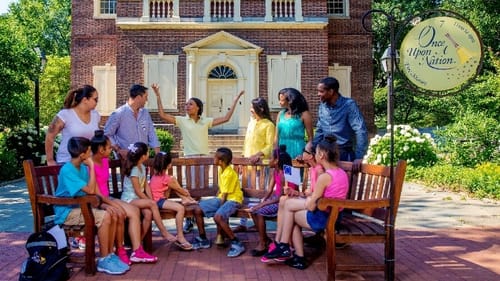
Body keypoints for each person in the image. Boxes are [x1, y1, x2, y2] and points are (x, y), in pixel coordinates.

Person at [153, 83, 244, 233]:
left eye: (190, 104)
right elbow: (163, 115)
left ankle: (200, 216)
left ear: (198, 108)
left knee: (202, 191)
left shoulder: (205, 121)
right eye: (186, 104)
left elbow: (226, 118)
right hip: (189, 159)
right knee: (191, 191)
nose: (187, 106)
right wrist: (157, 95)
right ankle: (189, 219)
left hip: (204, 159)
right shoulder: (182, 120)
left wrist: (235, 99)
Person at [262, 136, 349, 269]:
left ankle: (288, 249)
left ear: (321, 155)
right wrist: (302, 197)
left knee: (289, 209)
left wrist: (303, 200)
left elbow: (311, 205)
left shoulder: (325, 177)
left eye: (316, 152)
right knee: (289, 206)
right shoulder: (341, 173)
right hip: (335, 216)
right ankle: (290, 251)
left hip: (324, 218)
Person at [53, 137, 128, 275]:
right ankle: (104, 259)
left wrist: (105, 205)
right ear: (82, 155)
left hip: (82, 206)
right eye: (88, 151)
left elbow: (94, 190)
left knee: (112, 213)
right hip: (66, 212)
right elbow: (91, 191)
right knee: (105, 217)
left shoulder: (81, 167)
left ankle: (109, 255)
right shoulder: (68, 170)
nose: (90, 153)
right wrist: (92, 166)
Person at [90, 130, 158, 265]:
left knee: (134, 211)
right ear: (100, 149)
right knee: (119, 213)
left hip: (108, 198)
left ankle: (136, 251)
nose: (111, 149)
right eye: (109, 147)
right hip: (97, 200)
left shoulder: (105, 161)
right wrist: (108, 203)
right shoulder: (89, 165)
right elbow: (93, 191)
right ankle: (120, 250)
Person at [120, 142, 188, 251]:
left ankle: (137, 243)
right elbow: (138, 191)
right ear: (143, 156)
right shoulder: (134, 170)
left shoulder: (142, 167)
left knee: (148, 213)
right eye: (147, 152)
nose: (149, 153)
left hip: (139, 199)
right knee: (152, 204)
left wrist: (151, 199)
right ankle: (164, 232)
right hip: (129, 199)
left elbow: (146, 185)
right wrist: (150, 201)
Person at [150, 151, 213, 250]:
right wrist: (186, 194)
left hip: (158, 199)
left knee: (173, 180)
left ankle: (185, 200)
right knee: (180, 209)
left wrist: (184, 193)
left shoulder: (156, 176)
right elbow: (180, 190)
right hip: (158, 202)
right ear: (169, 164)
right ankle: (180, 235)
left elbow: (174, 188)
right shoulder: (167, 179)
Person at [233, 97, 276, 233]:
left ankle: (257, 220)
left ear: (260, 109)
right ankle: (242, 223)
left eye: (252, 107)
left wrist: (259, 154)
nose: (250, 110)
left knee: (257, 194)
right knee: (245, 194)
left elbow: (271, 146)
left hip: (260, 167)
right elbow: (247, 143)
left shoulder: (269, 125)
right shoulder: (251, 123)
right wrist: (242, 160)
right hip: (247, 166)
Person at [249, 145, 297, 257]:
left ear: (276, 161)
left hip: (284, 202)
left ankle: (262, 243)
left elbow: (279, 198)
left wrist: (262, 204)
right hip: (276, 199)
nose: (269, 161)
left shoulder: (287, 174)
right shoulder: (275, 171)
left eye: (271, 158)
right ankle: (265, 239)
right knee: (253, 210)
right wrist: (262, 200)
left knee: (259, 212)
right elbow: (270, 190)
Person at [198, 147, 245, 257]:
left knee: (218, 217)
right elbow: (221, 190)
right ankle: (202, 238)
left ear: (221, 161)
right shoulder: (221, 169)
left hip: (233, 200)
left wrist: (220, 210)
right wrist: (215, 201)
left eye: (215, 157)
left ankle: (236, 242)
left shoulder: (229, 173)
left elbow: (225, 196)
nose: (213, 158)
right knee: (197, 208)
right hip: (222, 198)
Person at [311, 77, 368, 162]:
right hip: (325, 154)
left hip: (344, 154)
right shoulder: (322, 106)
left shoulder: (349, 105)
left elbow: (360, 130)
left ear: (331, 91)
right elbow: (320, 130)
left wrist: (359, 157)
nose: (318, 94)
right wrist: (312, 150)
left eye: (321, 91)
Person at [45, 85, 100, 165]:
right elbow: (50, 135)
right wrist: (50, 160)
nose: (97, 102)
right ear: (85, 100)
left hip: (87, 163)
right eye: (95, 99)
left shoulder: (95, 115)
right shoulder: (65, 114)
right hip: (66, 162)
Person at [104, 84, 160, 158]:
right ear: (138, 98)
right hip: (126, 161)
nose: (147, 100)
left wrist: (158, 155)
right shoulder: (119, 113)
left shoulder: (145, 113)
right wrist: (118, 150)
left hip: (143, 160)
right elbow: (107, 134)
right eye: (145, 97)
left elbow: (151, 133)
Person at [275, 88, 313, 159]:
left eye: (282, 100)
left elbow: (310, 138)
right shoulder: (280, 114)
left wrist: (305, 153)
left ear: (290, 100)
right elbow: (276, 137)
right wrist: (274, 153)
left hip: (298, 151)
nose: (279, 102)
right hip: (282, 151)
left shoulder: (305, 114)